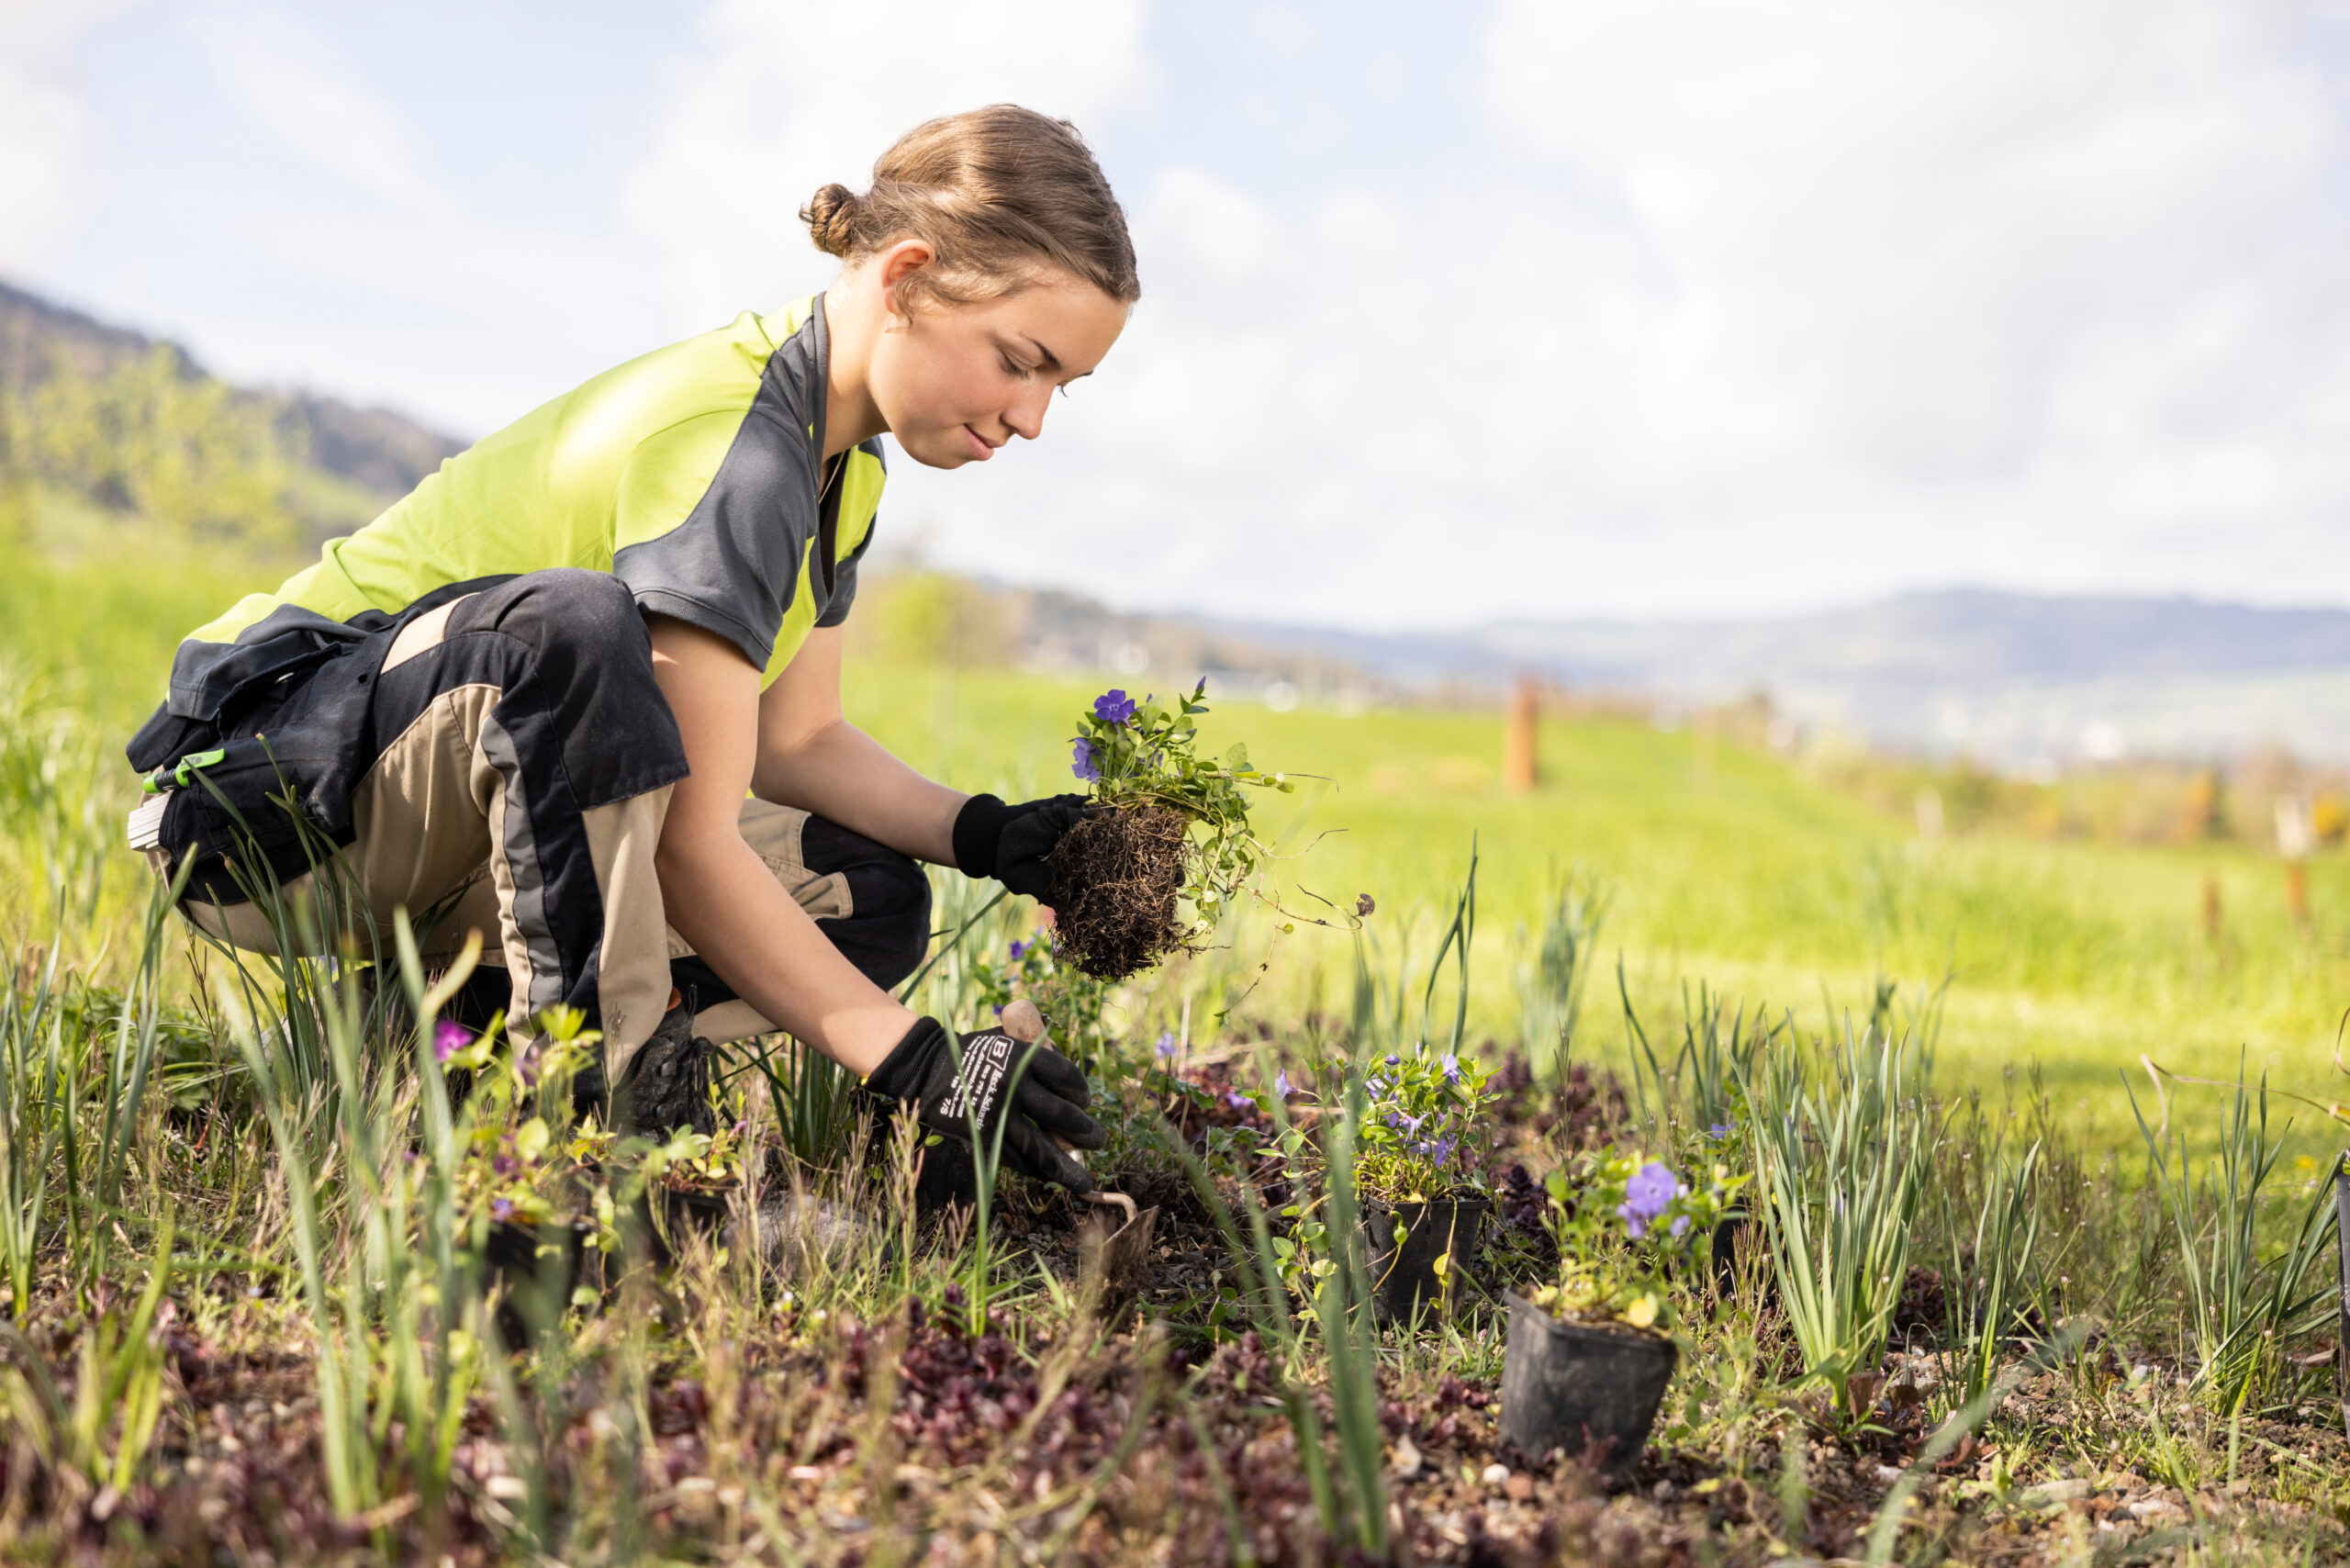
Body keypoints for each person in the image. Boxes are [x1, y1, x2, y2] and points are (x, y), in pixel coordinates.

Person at [123, 105, 1136, 1193]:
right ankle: (582, 1119)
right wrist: (916, 1062)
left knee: (865, 886)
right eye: (1019, 362)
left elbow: (797, 740)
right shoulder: (734, 454)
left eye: (1059, 387)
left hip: (437, 814)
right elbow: (686, 846)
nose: (1031, 418)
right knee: (574, 634)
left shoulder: (844, 470)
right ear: (904, 277)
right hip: (263, 804)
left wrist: (985, 833)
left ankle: (436, 1039)